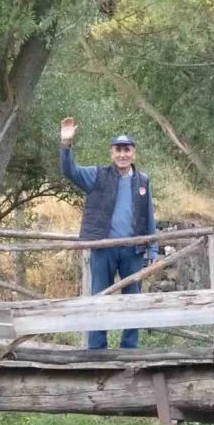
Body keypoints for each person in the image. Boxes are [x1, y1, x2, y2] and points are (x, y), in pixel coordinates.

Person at [59, 117, 158, 349]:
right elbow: (69, 171)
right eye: (118, 150)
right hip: (103, 249)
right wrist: (66, 144)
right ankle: (97, 350)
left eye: (127, 150)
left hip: (133, 250)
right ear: (111, 153)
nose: (123, 154)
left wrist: (152, 248)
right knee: (99, 299)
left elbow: (149, 215)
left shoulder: (143, 180)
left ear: (133, 153)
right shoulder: (97, 175)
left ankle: (129, 349)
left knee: (133, 300)